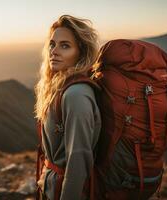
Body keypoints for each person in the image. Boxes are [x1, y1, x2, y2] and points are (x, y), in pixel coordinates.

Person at [34, 15, 101, 200]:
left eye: (65, 45)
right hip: (51, 187)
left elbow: (78, 160)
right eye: (52, 44)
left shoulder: (76, 95)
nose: (54, 51)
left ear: (81, 53)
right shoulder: (61, 87)